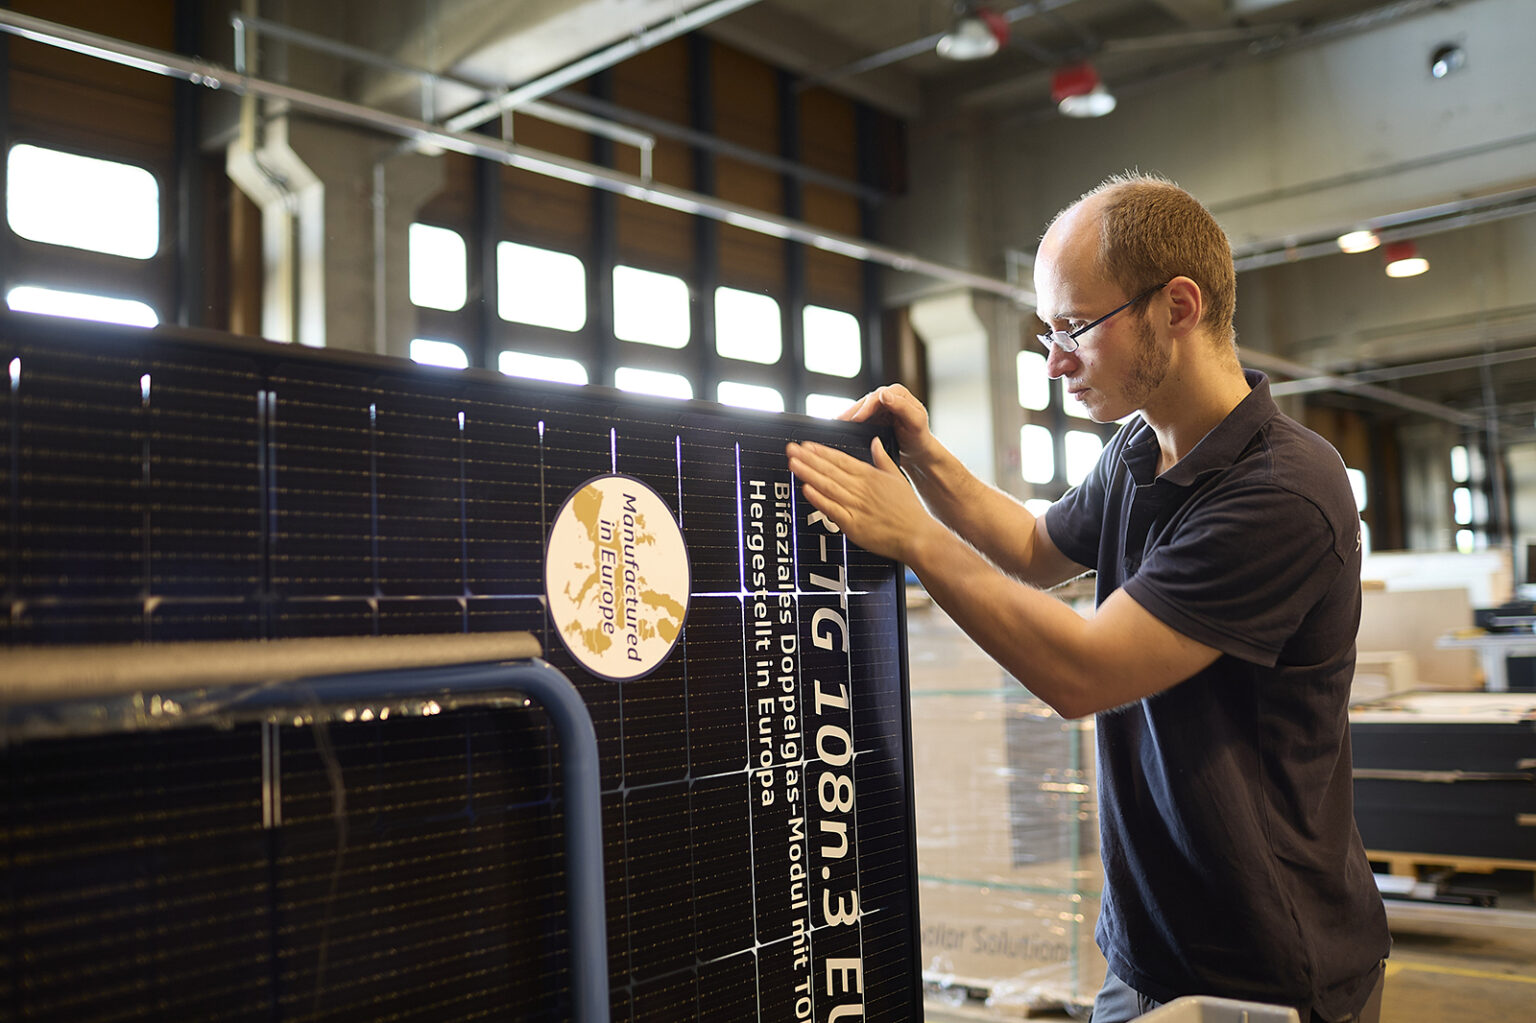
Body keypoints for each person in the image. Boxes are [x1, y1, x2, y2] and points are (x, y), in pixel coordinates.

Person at [786, 173, 1390, 1022]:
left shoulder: (1283, 490)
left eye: (1074, 327)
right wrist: (925, 459)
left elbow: (1087, 671)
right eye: (1047, 331)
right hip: (1145, 947)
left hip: (1262, 967)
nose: (1055, 360)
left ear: (1177, 306)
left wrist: (914, 539)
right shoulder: (1139, 449)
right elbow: (1036, 550)